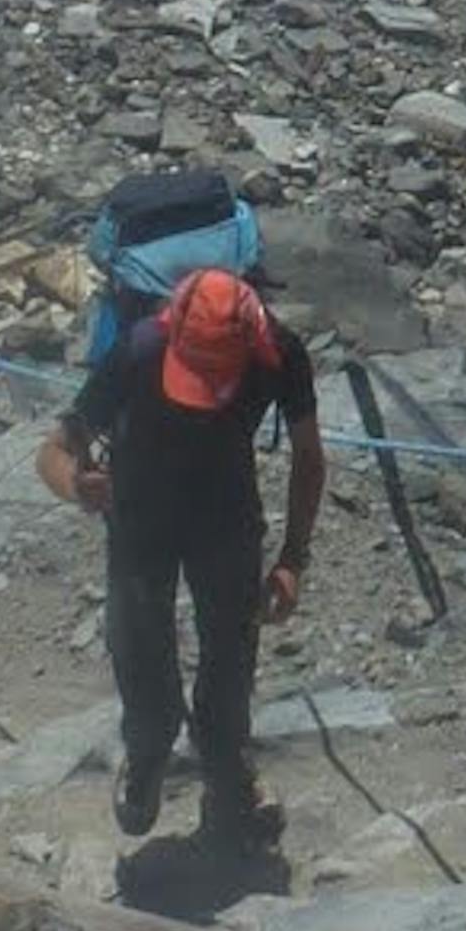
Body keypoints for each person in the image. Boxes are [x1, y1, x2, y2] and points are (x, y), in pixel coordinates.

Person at [38, 262, 328, 851]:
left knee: (230, 655)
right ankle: (147, 759)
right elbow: (55, 449)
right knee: (139, 649)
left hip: (225, 515)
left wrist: (294, 558)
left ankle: (227, 776)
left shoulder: (279, 351)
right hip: (141, 516)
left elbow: (309, 456)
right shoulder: (141, 349)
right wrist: (76, 485)